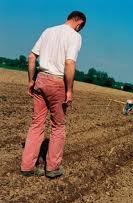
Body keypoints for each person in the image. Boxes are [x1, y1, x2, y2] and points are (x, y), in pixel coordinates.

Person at [21, 11, 86, 178]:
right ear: (79, 23)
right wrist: (69, 90)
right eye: (81, 28)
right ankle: (52, 168)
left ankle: (27, 166)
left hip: (40, 79)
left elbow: (31, 57)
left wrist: (30, 81)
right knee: (58, 126)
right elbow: (70, 62)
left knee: (36, 124)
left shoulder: (48, 31)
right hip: (57, 82)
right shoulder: (75, 36)